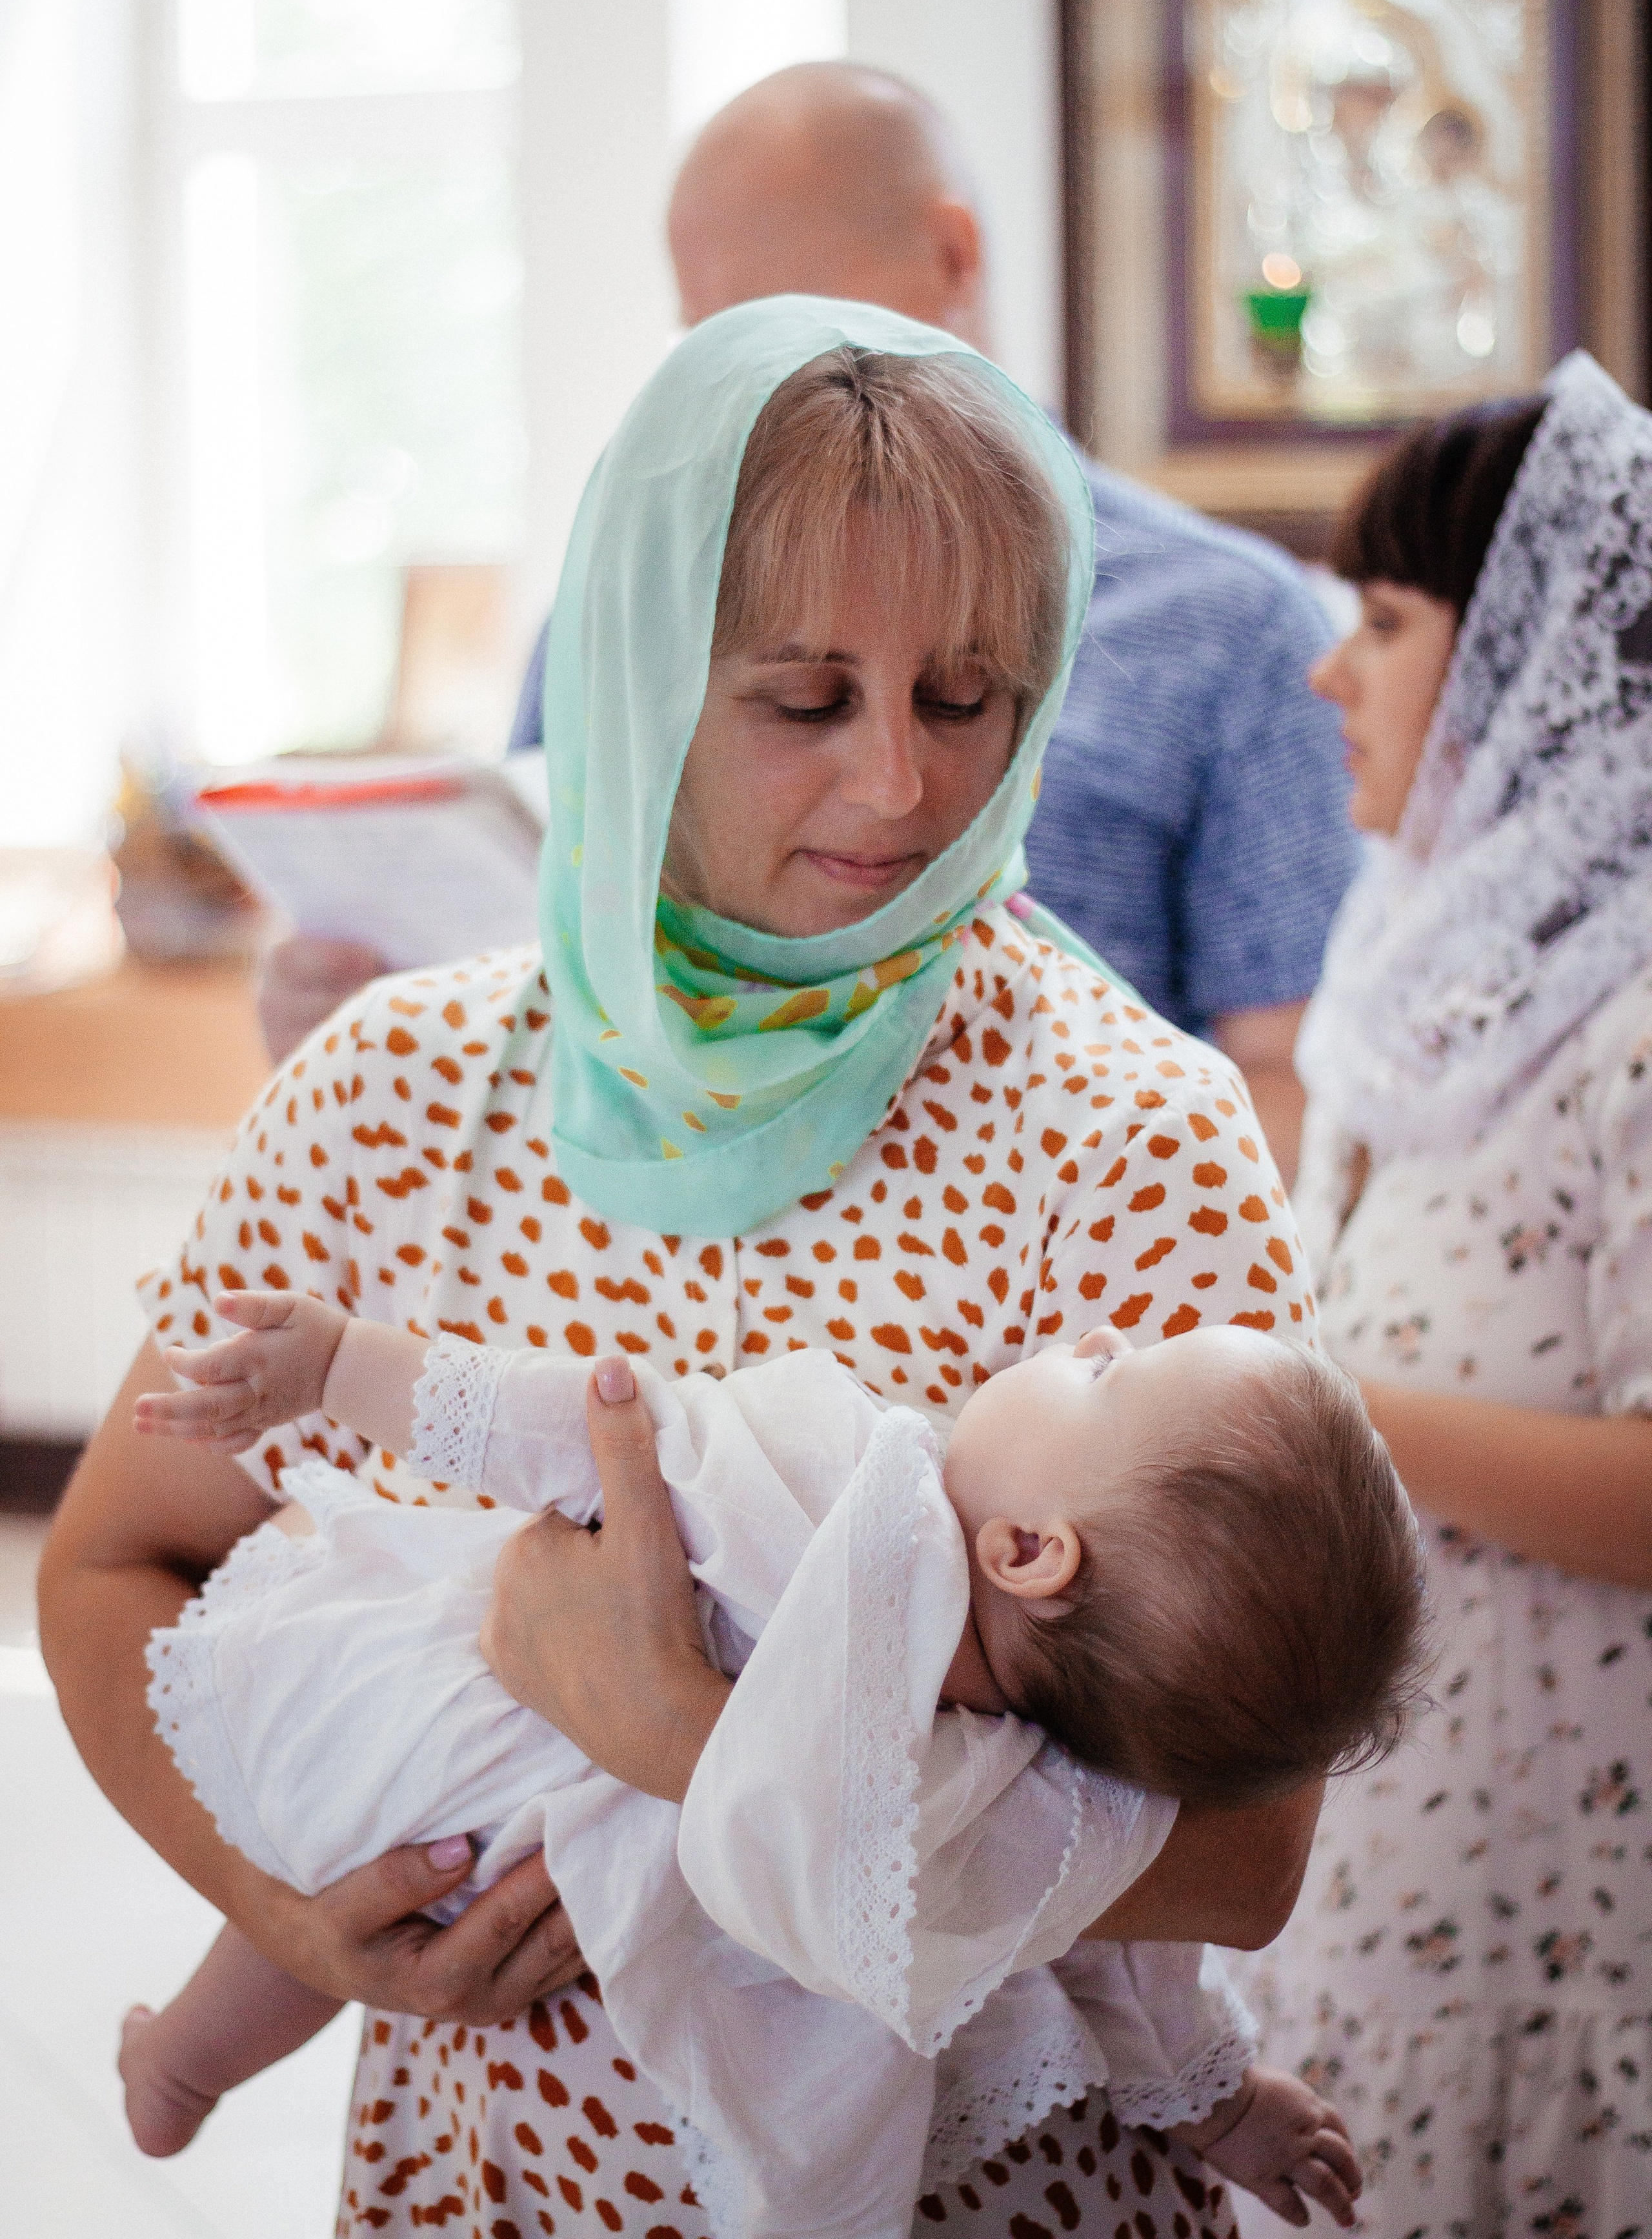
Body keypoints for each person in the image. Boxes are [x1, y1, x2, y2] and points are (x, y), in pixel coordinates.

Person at [45, 298, 1332, 2239]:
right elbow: (113, 1556)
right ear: (645, 674)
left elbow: (1247, 1852)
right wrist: (293, 1923)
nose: (902, 789)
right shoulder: (399, 1088)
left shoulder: (1128, 1136)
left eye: (970, 697)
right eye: (806, 699)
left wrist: (687, 1748)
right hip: (488, 2179)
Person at [263, 64, 1358, 1180]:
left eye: (963, 698)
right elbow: (557, 981)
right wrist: (389, 1042)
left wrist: (1020, 1243)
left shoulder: (1235, 630)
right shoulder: (621, 620)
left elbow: (1300, 1084)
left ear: (953, 257)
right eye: (715, 338)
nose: (757, 382)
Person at [119, 1293, 1422, 2229]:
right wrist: (1218, 2104)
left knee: (347, 1864)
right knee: (389, 1881)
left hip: (461, 1753)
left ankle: (184, 2060)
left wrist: (348, 1365)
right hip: (575, 1879)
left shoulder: (866, 1493)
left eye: (1106, 1377)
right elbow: (1136, 1981)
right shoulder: (1056, 1801)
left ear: (1032, 1551)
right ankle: (184, 2065)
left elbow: (586, 1427)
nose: (1088, 1336)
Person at [1247, 352, 1652, 2234]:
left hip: (1581, 1903)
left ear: (1542, 654)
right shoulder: (1421, 971)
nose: (1332, 675)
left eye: (1387, 624)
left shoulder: (1637, 1023)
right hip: (1397, 1869)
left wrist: (1319, 1409)